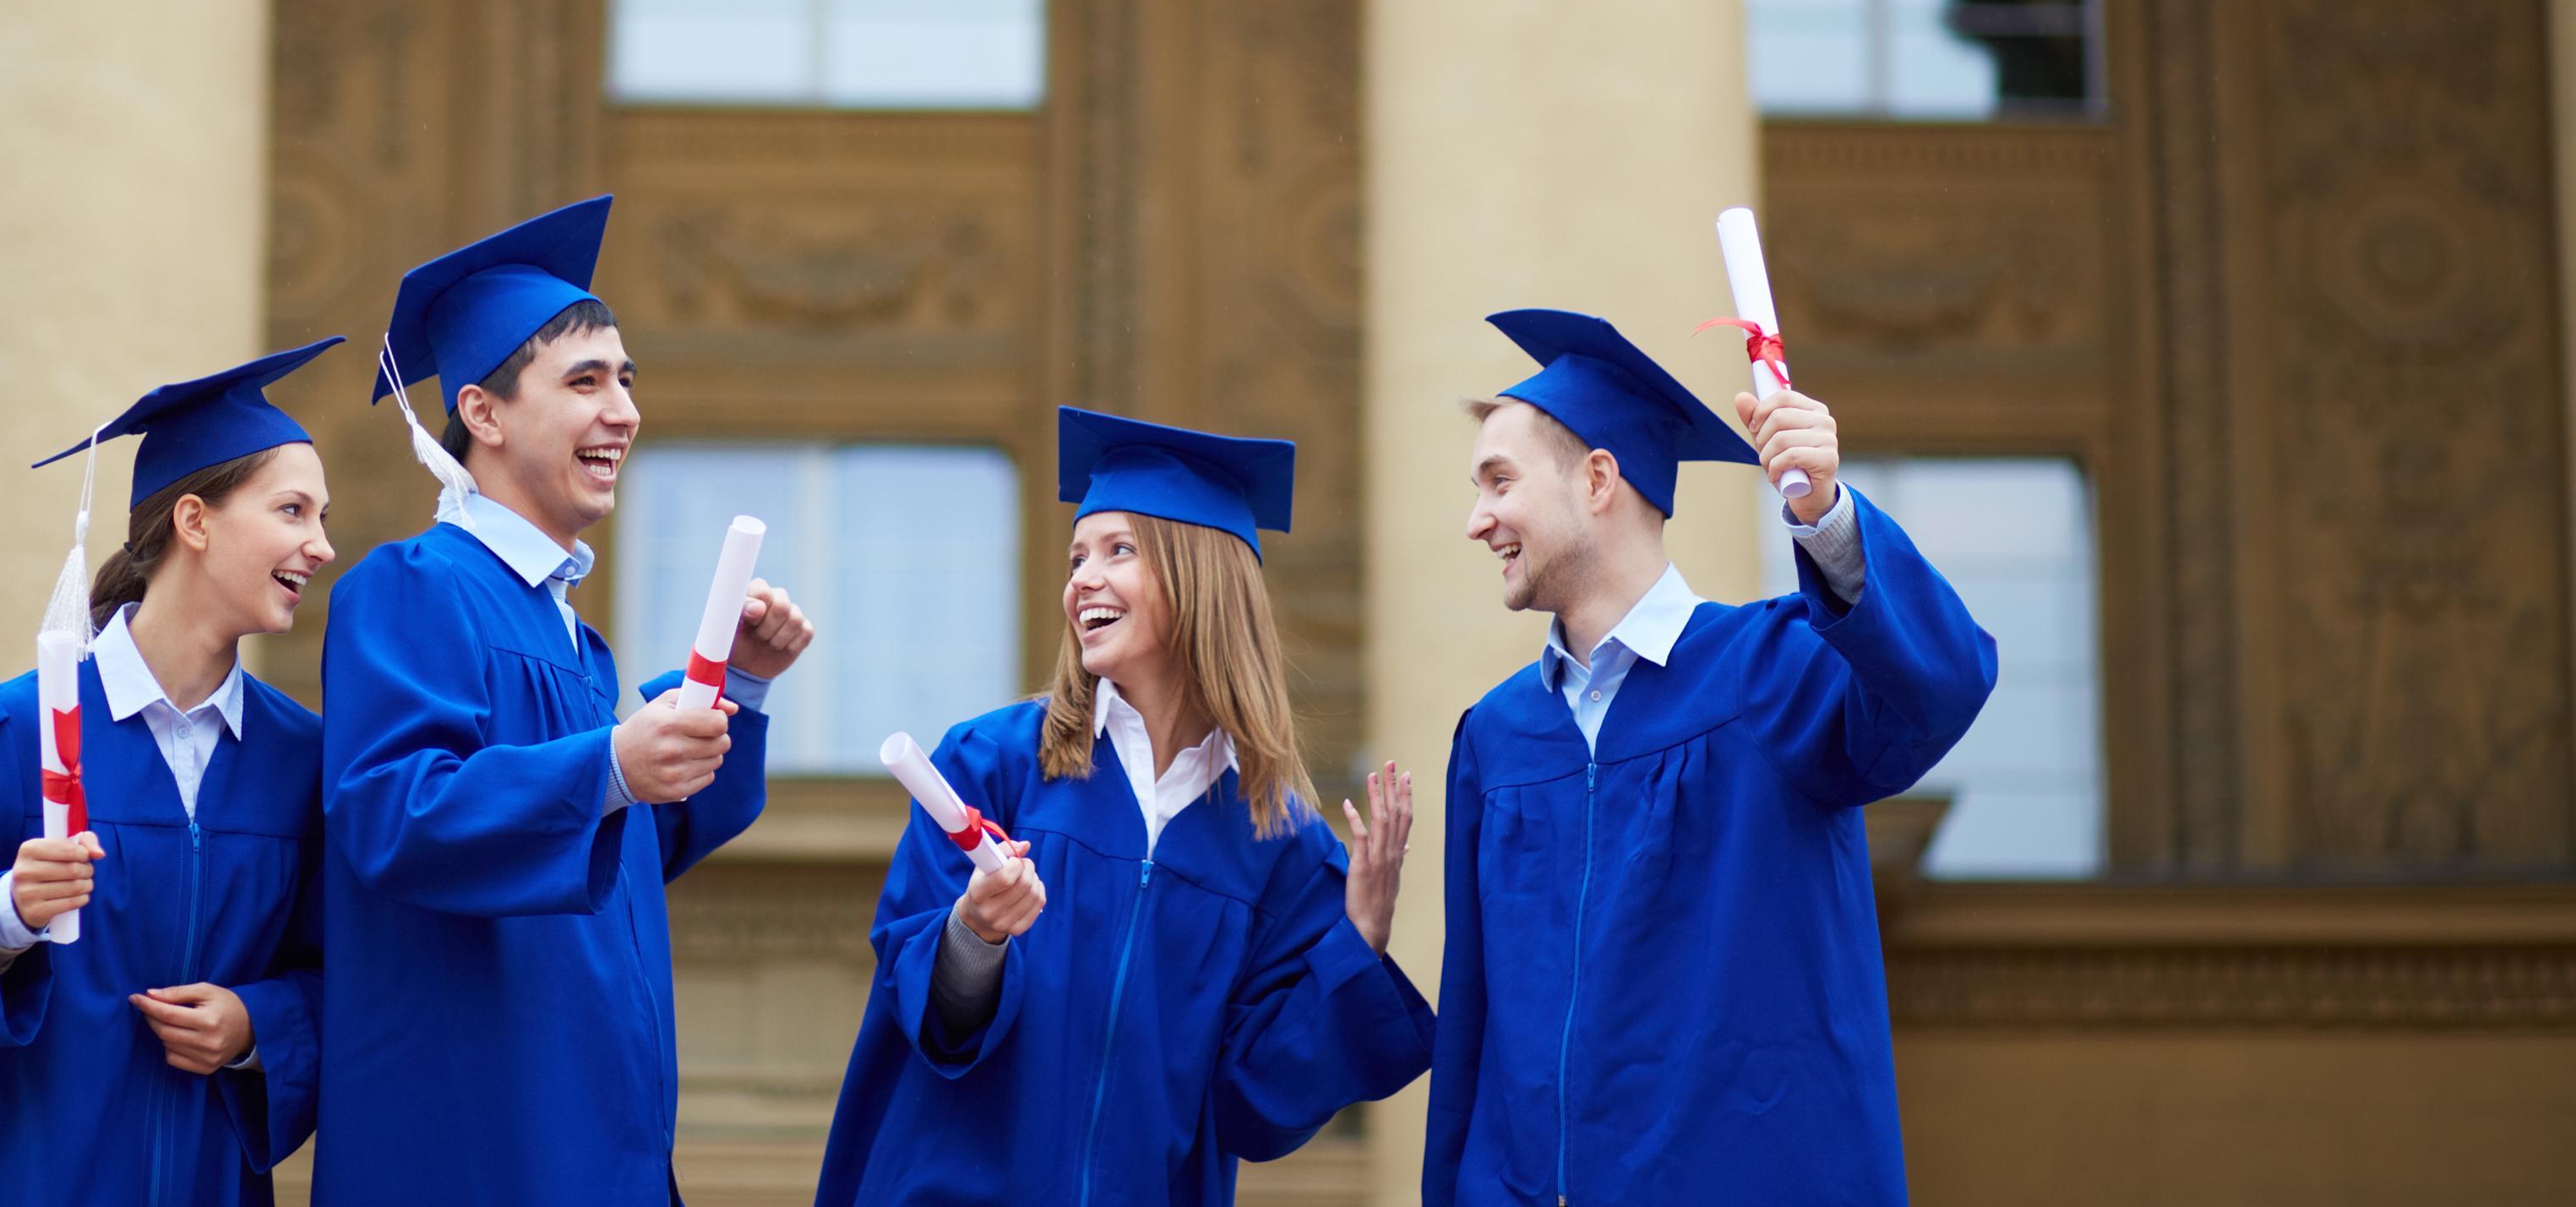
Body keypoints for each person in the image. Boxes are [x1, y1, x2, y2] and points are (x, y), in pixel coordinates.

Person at [1424, 309, 1998, 1207]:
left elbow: (1943, 686)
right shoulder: (1495, 740)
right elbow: (1471, 1033)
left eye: (1498, 481)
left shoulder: (1773, 674)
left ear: (1599, 481)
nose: (1476, 520)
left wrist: (1829, 519)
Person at [313, 197, 816, 1207]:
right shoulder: (413, 587)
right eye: (584, 380)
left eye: (626, 380)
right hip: (482, 1142)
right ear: (484, 412)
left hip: (602, 1134)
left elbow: (624, 853)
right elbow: (391, 815)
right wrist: (609, 767)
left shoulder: (570, 634)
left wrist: (737, 687)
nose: (623, 411)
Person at [817, 408, 1434, 1207]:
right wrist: (975, 932)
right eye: (1077, 557)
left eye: (1119, 551)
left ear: (1200, 577)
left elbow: (1255, 1106)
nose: (1082, 579)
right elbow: (926, 1018)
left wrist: (1359, 943)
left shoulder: (1278, 845)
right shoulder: (992, 766)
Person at [0, 337, 346, 1207]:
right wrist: (6, 914)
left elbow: (339, 977)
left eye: (321, 518)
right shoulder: (11, 728)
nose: (322, 546)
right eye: (294, 511)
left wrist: (254, 1026)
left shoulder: (298, 759)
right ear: (195, 521)